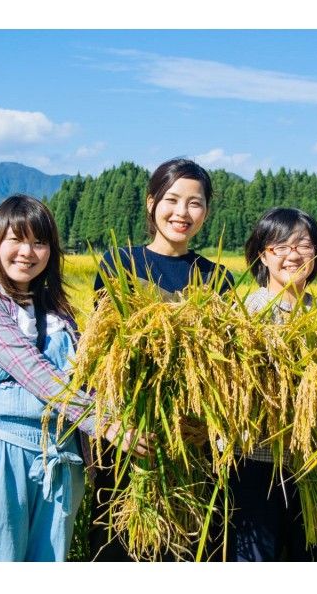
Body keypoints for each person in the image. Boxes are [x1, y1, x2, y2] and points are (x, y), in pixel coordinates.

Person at [0, 194, 148, 562]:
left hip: (60, 454)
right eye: (16, 239)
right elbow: (32, 369)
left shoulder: (58, 312)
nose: (27, 251)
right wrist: (104, 424)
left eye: (39, 242)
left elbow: (85, 377)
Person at [90, 158, 234, 560]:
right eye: (172, 199)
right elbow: (101, 354)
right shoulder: (119, 264)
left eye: (195, 203)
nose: (182, 212)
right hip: (129, 438)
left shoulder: (216, 276)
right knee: (119, 549)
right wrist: (116, 423)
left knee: (188, 547)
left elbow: (224, 367)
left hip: (190, 443)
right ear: (151, 202)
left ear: (206, 211)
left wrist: (207, 427)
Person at [233, 207, 317, 562]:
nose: (292, 255)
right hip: (255, 465)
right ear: (263, 254)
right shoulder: (240, 315)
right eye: (279, 246)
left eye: (304, 246)